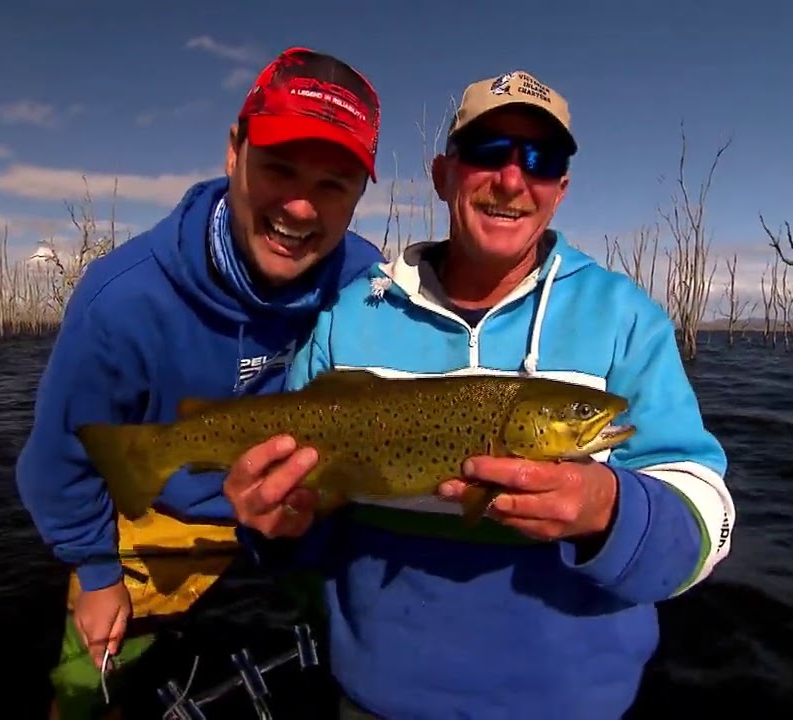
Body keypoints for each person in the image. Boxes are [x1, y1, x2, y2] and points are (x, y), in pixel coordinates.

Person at [223, 69, 736, 719]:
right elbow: (298, 545)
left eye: (541, 161)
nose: (513, 180)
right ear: (443, 174)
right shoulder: (347, 317)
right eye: (489, 153)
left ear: (561, 189)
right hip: (375, 700)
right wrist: (275, 528)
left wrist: (609, 508)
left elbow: (706, 521)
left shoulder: (626, 318)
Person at [13, 46, 386, 719]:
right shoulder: (122, 301)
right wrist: (98, 576)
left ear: (359, 196)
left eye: (334, 185)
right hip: (163, 513)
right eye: (279, 168)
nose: (301, 208)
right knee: (86, 684)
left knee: (372, 634)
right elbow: (60, 462)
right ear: (233, 151)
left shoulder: (366, 285)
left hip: (298, 510)